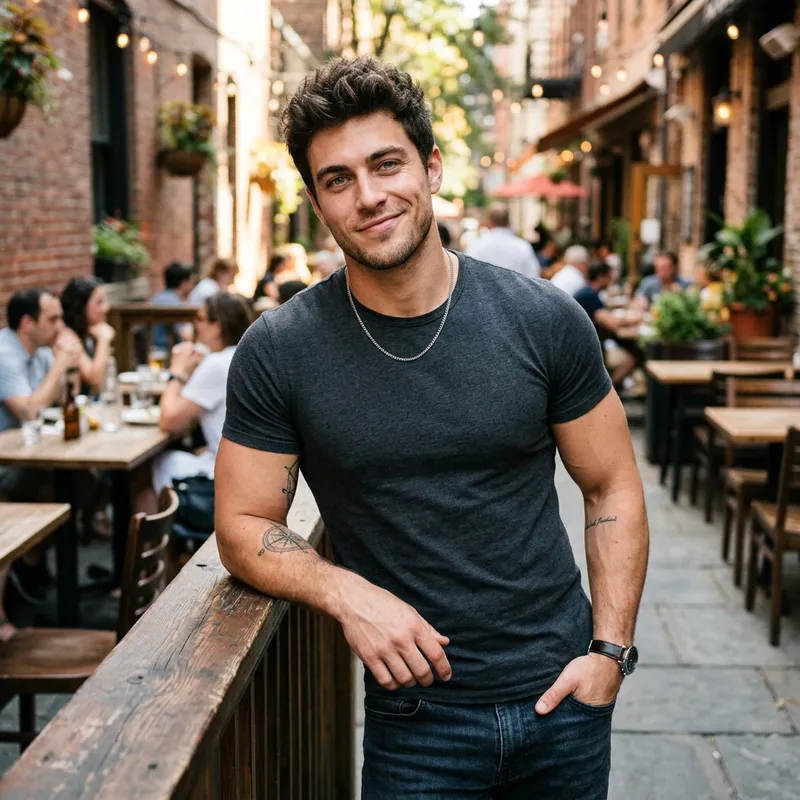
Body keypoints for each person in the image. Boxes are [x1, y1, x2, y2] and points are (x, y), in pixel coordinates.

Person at [216, 57, 648, 799]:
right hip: (418, 715)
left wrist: (609, 653)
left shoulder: (542, 319)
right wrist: (348, 594)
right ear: (318, 201)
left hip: (563, 693)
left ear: (433, 168)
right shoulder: (281, 349)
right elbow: (242, 521)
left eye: (387, 164)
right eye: (338, 178)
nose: (370, 196)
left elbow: (610, 486)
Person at [0, 289, 83, 608]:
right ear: (27, 322)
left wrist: (70, 367)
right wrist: (60, 366)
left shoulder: (44, 350)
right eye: (53, 319)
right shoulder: (6, 354)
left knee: (82, 483)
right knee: (53, 491)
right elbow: (30, 411)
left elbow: (65, 400)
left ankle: (31, 562)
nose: (60, 326)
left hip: (31, 457)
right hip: (6, 463)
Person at [146, 293, 252, 505]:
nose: (195, 325)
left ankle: (154, 535)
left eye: (201, 319)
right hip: (250, 472)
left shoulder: (216, 364)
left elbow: (169, 420)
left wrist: (177, 372)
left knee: (150, 466)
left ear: (217, 326)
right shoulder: (243, 354)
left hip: (227, 479)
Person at [574, 263, 643, 390]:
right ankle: (608, 390)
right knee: (634, 357)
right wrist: (634, 318)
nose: (611, 280)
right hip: (586, 349)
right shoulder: (589, 295)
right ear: (601, 277)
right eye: (609, 277)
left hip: (587, 346)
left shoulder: (588, 292)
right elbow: (611, 323)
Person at [61, 277, 116, 395]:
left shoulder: (88, 334)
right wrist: (104, 339)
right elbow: (94, 382)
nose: (106, 308)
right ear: (81, 306)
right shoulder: (66, 337)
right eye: (99, 302)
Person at [466, 203, 540, 279]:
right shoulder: (523, 246)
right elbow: (534, 276)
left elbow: (468, 273)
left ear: (489, 222)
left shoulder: (477, 245)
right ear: (509, 222)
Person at [150, 262, 195, 351]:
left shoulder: (156, 298)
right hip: (166, 354)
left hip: (151, 352)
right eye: (190, 280)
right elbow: (186, 334)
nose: (192, 283)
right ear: (184, 282)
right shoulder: (174, 304)